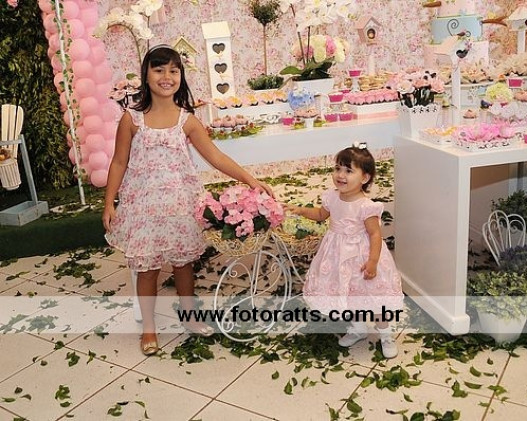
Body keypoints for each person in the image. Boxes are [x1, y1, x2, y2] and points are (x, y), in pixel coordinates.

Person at [102, 45, 273, 356]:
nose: (166, 76)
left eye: (174, 70)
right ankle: (149, 328)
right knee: (148, 269)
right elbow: (118, 162)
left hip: (181, 206)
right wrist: (109, 202)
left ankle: (190, 317)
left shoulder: (188, 120)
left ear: (181, 76)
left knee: (183, 265)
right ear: (146, 75)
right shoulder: (132, 119)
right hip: (144, 210)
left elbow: (216, 156)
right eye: (159, 70)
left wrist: (250, 179)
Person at [285, 143, 403, 358]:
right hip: (337, 255)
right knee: (349, 294)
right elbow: (320, 215)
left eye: (349, 171)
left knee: (374, 298)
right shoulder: (332, 197)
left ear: (365, 178)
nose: (340, 175)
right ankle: (358, 328)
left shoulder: (366, 206)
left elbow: (375, 235)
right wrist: (300, 210)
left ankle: (385, 333)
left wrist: (373, 262)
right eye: (338, 168)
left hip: (361, 257)